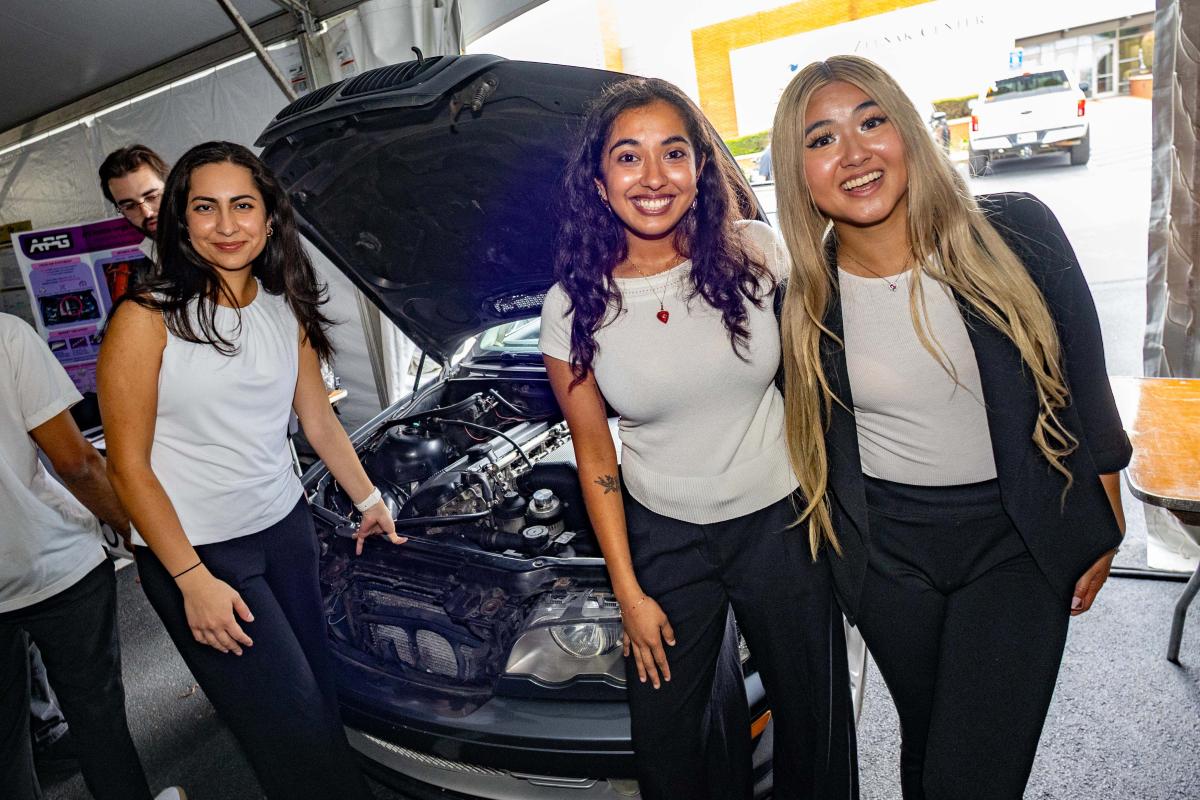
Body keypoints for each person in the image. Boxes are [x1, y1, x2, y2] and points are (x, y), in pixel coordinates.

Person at [770, 55, 1130, 800]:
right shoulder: (802, 300)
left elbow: (1085, 379)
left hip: (1017, 541)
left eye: (872, 122)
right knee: (931, 744)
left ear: (907, 131)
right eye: (822, 139)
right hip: (887, 559)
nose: (857, 152)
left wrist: (1104, 510)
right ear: (798, 171)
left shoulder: (1015, 231)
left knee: (975, 771)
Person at [540, 77, 857, 800]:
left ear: (700, 168)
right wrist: (629, 592)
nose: (654, 178)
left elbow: (823, 373)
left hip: (782, 521)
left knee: (815, 724)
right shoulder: (572, 306)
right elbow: (595, 456)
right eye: (629, 157)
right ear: (598, 181)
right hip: (664, 538)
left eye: (673, 153)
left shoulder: (757, 254)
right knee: (669, 744)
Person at [97, 141, 403, 799]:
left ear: (269, 218)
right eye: (206, 208)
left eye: (244, 205)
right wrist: (190, 580)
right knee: (287, 730)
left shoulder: (281, 306)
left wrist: (370, 497)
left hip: (285, 532)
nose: (228, 225)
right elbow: (127, 467)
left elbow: (318, 422)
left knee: (319, 710)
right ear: (180, 219)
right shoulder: (144, 319)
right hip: (201, 555)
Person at [0, 312, 182, 800]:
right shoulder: (7, 335)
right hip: (52, 561)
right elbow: (76, 461)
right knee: (97, 716)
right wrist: (131, 529)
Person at [99, 144, 168, 262]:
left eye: (152, 197)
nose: (147, 213)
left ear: (172, 187)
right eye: (130, 206)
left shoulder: (208, 238)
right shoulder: (151, 255)